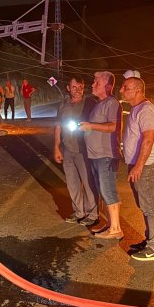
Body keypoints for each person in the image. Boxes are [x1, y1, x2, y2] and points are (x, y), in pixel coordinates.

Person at [119, 76, 154, 261]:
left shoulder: (146, 110)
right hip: (140, 167)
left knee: (150, 208)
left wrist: (138, 166)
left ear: (137, 90)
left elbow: (149, 139)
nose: (121, 90)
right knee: (145, 206)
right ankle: (150, 241)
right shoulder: (137, 109)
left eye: (125, 87)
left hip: (147, 168)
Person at [78, 71, 123, 239]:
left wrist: (90, 126)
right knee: (103, 191)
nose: (93, 84)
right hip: (96, 155)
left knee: (108, 190)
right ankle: (111, 224)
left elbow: (113, 127)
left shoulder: (112, 103)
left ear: (108, 86)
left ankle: (116, 229)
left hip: (106, 155)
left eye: (97, 81)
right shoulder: (99, 103)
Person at [53, 75, 98, 226]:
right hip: (67, 149)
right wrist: (57, 147)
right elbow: (58, 126)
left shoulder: (90, 103)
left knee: (88, 181)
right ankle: (79, 212)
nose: (78, 90)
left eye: (80, 87)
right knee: (72, 183)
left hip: (83, 149)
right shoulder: (63, 104)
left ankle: (93, 214)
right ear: (68, 88)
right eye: (74, 87)